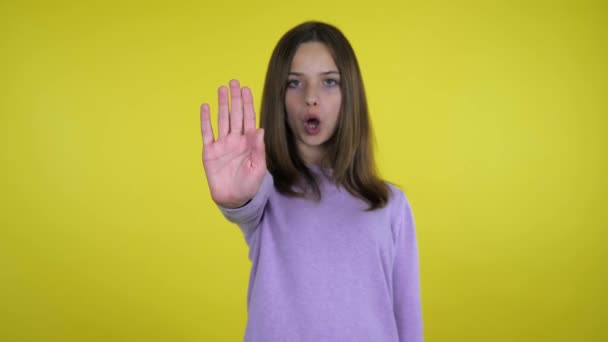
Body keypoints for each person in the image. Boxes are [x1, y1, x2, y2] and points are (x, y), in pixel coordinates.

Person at [200, 21, 423, 342]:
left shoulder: (390, 204)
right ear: (279, 96)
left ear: (350, 95)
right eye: (294, 83)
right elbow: (244, 204)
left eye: (329, 82)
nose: (311, 98)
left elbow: (408, 321)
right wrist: (235, 198)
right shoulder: (265, 193)